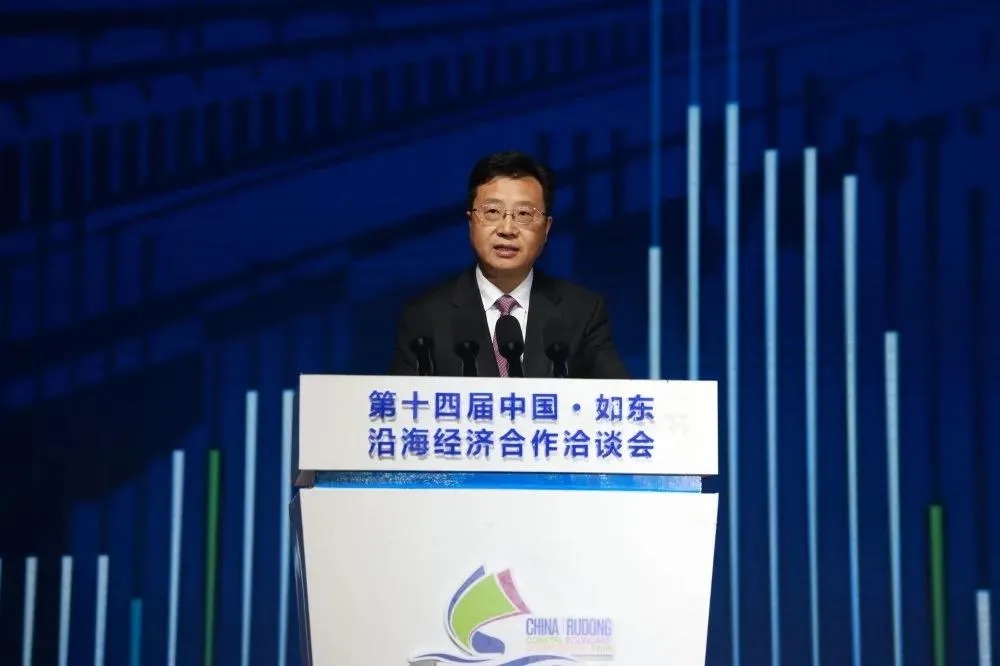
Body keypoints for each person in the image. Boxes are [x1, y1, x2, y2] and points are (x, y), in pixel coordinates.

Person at [388, 150, 631, 379]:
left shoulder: (583, 312)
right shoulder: (426, 316)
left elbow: (618, 398)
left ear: (546, 228)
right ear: (471, 222)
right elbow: (402, 402)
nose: (507, 229)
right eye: (492, 211)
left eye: (524, 214)